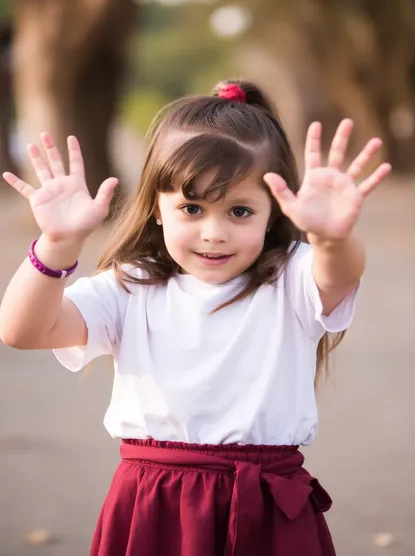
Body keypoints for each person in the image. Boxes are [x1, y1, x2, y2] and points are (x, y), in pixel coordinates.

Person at [0, 80, 391, 556]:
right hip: (152, 501)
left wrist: (331, 238)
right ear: (158, 210)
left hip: (269, 502)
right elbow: (22, 330)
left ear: (272, 214)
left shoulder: (292, 277)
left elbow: (339, 275)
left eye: (240, 211)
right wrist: (56, 245)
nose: (214, 233)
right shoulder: (131, 286)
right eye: (191, 208)